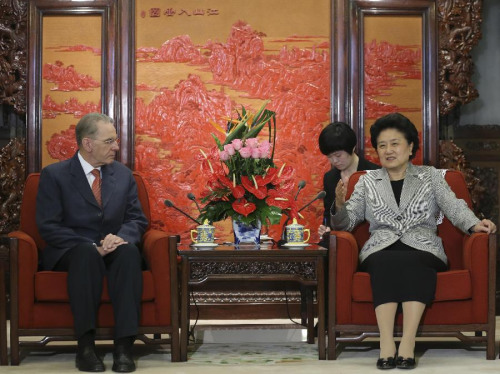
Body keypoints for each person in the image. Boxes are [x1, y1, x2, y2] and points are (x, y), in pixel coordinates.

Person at [331, 112, 496, 370]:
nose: (388, 150)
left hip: (422, 245)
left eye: (395, 143)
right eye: (382, 145)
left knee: (413, 260)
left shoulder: (430, 177)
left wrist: (475, 224)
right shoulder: (366, 182)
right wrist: (340, 206)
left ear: (410, 148)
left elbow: (454, 207)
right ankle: (387, 344)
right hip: (381, 246)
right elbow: (346, 223)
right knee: (385, 260)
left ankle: (407, 344)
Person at [36, 113, 148, 373]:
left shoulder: (122, 174)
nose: (116, 147)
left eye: (116, 140)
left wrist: (120, 237)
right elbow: (48, 226)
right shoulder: (55, 175)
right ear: (87, 144)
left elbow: (136, 219)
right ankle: (85, 348)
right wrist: (91, 244)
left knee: (129, 253)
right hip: (72, 250)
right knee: (86, 254)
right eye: (109, 141)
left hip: (113, 246)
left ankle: (124, 348)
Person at [317, 121, 378, 246]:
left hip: (370, 239)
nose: (334, 161)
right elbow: (328, 214)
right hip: (341, 239)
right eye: (329, 157)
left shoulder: (374, 173)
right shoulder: (330, 178)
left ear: (352, 148)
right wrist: (327, 228)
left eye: (338, 155)